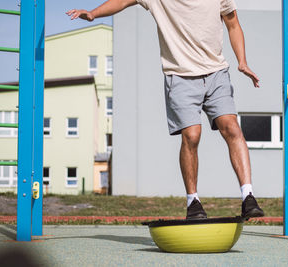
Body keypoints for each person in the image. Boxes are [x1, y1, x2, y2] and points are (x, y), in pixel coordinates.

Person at [67, 0, 264, 219]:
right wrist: (93, 14)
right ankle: (193, 202)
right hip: (180, 75)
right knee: (192, 135)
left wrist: (242, 61)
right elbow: (123, 1)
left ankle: (248, 197)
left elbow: (233, 24)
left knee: (232, 127)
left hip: (217, 72)